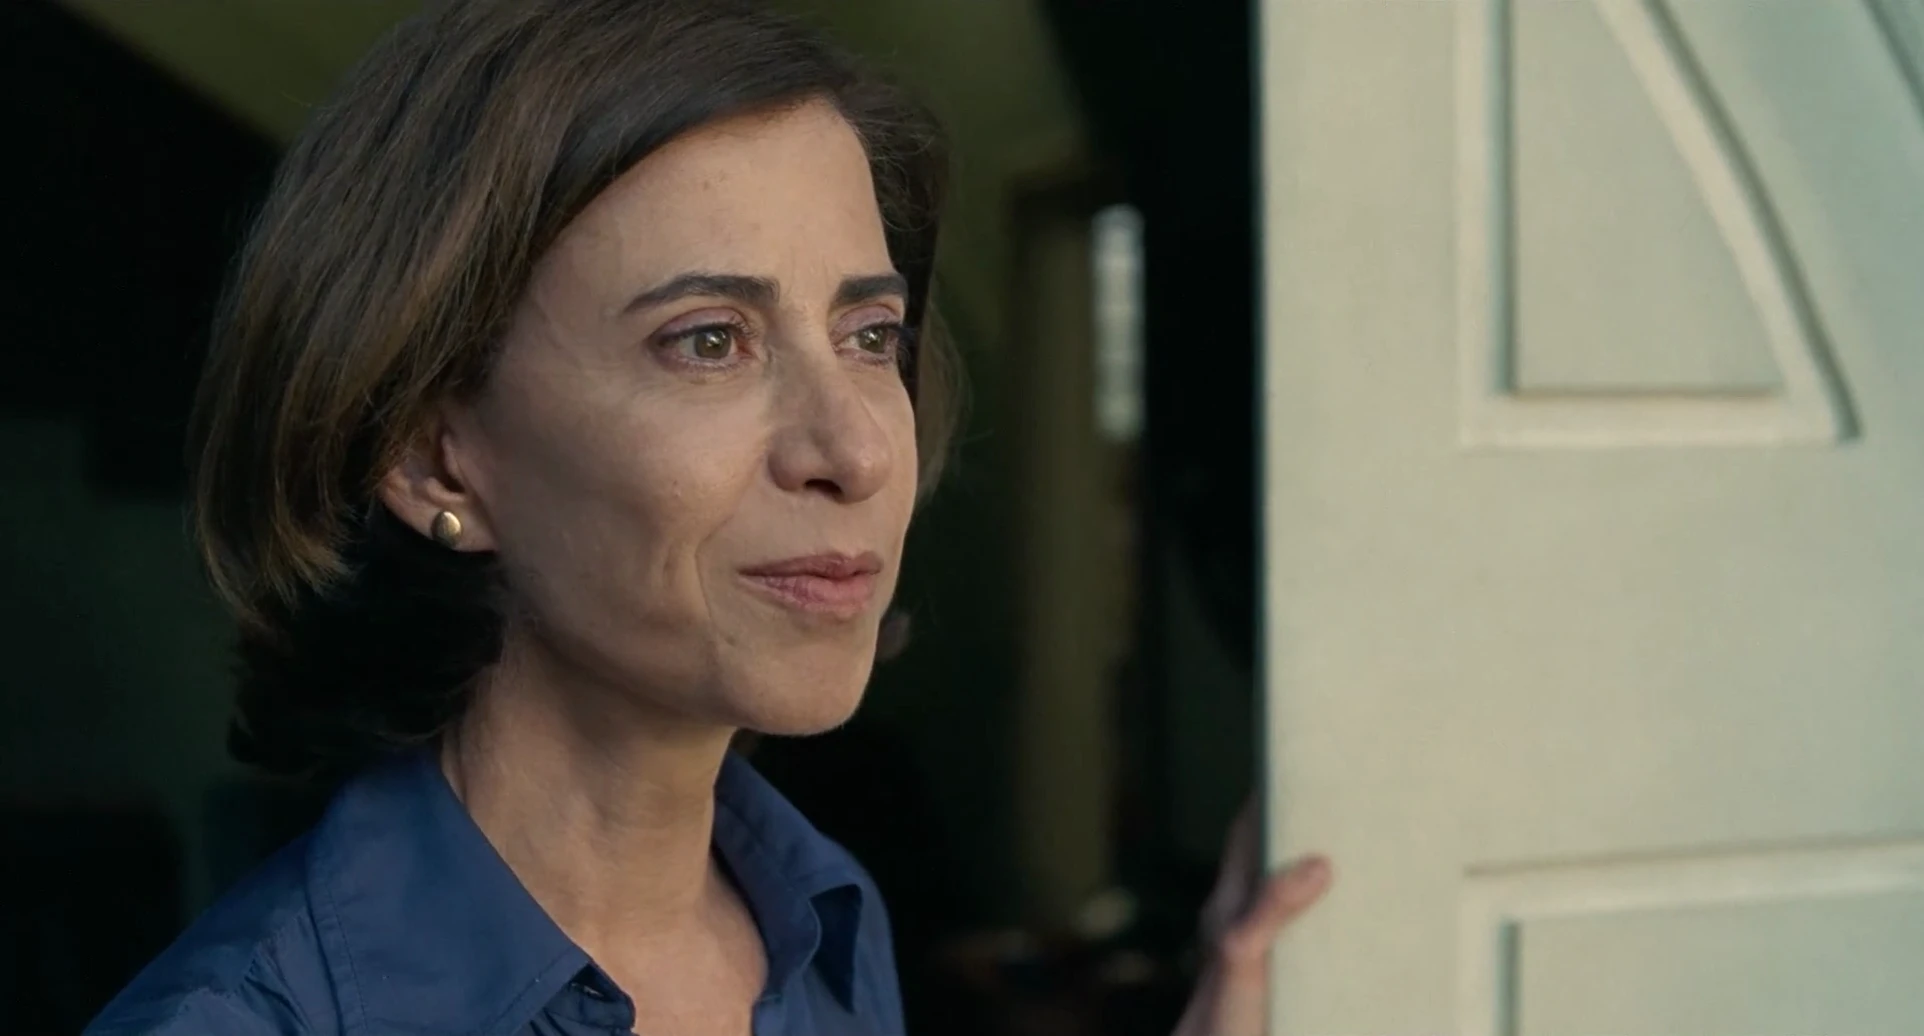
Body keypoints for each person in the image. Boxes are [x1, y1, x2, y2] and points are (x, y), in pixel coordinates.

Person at [84, 1, 1331, 1034]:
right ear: (432, 459)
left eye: (869, 336)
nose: (853, 450)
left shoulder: (821, 927)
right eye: (709, 341)